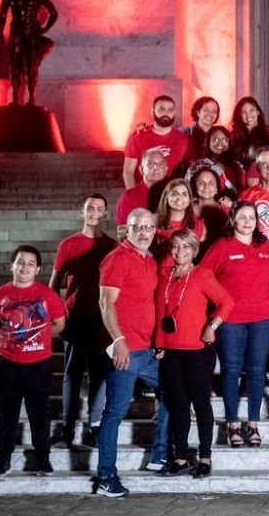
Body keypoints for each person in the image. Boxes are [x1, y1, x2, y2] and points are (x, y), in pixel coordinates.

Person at [96, 208, 170, 498]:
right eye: (137, 227)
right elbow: (106, 303)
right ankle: (106, 476)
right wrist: (119, 342)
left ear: (154, 231)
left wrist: (155, 342)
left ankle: (159, 454)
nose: (143, 232)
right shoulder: (116, 259)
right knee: (114, 413)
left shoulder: (148, 261)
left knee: (174, 392)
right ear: (127, 229)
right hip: (126, 350)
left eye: (148, 228)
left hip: (146, 350)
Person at [199, 202, 269, 449]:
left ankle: (253, 423)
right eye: (241, 217)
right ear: (232, 220)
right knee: (231, 370)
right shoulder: (220, 247)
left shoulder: (265, 246)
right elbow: (203, 278)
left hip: (263, 317)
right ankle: (232, 424)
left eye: (251, 217)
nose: (247, 221)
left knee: (257, 370)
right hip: (230, 320)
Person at [155, 230, 233, 478]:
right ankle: (180, 457)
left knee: (200, 403)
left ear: (194, 250)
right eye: (176, 247)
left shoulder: (202, 275)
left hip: (198, 349)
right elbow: (158, 310)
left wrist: (212, 326)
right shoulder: (164, 274)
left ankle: (205, 457)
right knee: (178, 405)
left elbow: (227, 302)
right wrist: (159, 342)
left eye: (186, 248)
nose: (180, 252)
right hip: (170, 350)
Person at [0, 245, 66, 477]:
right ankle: (3, 459)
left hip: (38, 365)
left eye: (30, 263)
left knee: (39, 414)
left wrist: (35, 336)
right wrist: (9, 335)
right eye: (20, 262)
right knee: (5, 414)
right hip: (7, 364)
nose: (25, 267)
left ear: (38, 269)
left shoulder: (47, 295)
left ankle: (42, 459)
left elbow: (59, 325)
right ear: (12, 265)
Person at [49, 194, 117, 449]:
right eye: (90, 208)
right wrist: (56, 318)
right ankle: (67, 427)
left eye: (100, 208)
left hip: (102, 320)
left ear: (106, 214)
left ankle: (95, 426)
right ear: (82, 212)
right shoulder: (68, 244)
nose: (95, 213)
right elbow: (53, 286)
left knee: (99, 375)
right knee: (72, 375)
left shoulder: (113, 246)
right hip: (75, 318)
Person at [0, 0, 58, 106]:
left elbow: (54, 13)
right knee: (17, 63)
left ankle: (29, 100)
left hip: (29, 31)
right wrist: (0, 33)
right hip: (19, 31)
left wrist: (44, 29)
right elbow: (3, 15)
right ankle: (17, 100)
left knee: (30, 64)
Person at [122, 96, 187, 190]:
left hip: (172, 195)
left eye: (170, 110)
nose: (166, 113)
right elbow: (128, 171)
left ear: (174, 112)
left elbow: (190, 169)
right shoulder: (138, 136)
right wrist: (133, 195)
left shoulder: (184, 139)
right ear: (152, 111)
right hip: (145, 192)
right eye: (161, 109)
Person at [183, 126, 246, 195]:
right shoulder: (198, 165)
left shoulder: (237, 166)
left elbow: (243, 192)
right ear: (208, 141)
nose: (220, 143)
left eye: (225, 140)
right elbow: (188, 189)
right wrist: (212, 173)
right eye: (215, 139)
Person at [115, 149, 168, 229]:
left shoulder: (172, 194)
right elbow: (122, 231)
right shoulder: (129, 197)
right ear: (141, 169)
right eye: (150, 164)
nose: (156, 167)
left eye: (160, 164)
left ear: (166, 169)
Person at [154, 179, 206, 253]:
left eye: (184, 194)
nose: (179, 198)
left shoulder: (198, 223)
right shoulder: (154, 221)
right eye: (174, 194)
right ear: (166, 198)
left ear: (189, 201)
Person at [230, 96, 269, 167]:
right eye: (244, 112)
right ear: (240, 115)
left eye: (251, 110)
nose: (248, 115)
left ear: (258, 112)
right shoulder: (234, 136)